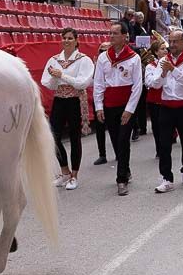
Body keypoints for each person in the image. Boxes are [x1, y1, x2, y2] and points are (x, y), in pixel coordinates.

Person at [146, 30, 183, 192]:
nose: (172, 45)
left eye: (176, 41)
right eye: (170, 41)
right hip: (166, 105)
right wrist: (163, 73)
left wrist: (173, 70)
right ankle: (166, 177)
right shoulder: (163, 60)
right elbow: (154, 85)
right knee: (164, 143)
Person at [41, 27, 95, 191]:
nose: (66, 41)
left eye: (70, 38)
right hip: (59, 99)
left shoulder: (84, 60)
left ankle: (75, 175)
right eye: (64, 38)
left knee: (74, 137)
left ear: (76, 40)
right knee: (54, 137)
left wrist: (62, 75)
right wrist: (54, 77)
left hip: (75, 100)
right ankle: (65, 171)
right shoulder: (54, 59)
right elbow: (46, 82)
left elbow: (82, 82)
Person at [93, 21, 143, 196]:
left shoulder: (134, 58)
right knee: (115, 140)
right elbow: (98, 83)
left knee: (123, 140)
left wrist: (129, 109)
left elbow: (137, 86)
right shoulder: (103, 58)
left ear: (124, 36)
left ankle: (121, 179)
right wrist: (98, 106)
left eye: (115, 33)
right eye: (110, 33)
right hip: (109, 104)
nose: (111, 36)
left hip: (126, 104)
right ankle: (126, 168)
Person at [90, 41, 112, 165]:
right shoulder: (95, 64)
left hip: (111, 97)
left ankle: (119, 152)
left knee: (115, 128)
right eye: (101, 51)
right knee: (99, 127)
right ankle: (102, 154)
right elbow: (91, 81)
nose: (103, 53)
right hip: (99, 97)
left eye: (106, 50)